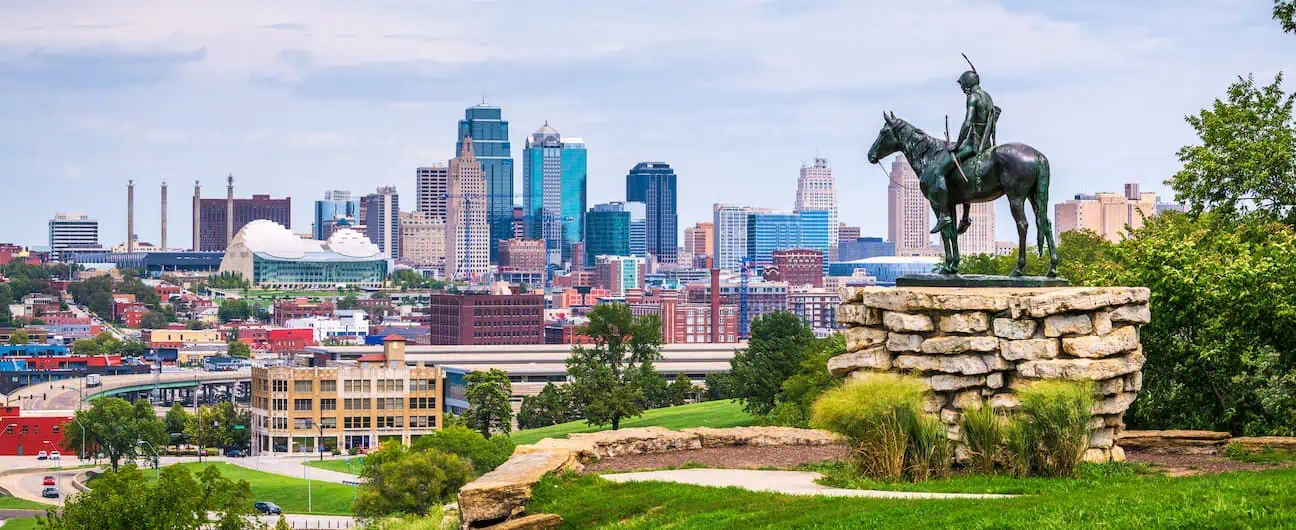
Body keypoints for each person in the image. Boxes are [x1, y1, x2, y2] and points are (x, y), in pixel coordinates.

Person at [928, 67, 998, 234]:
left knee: (939, 172)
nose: (961, 89)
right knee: (962, 175)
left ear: (968, 83)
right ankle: (965, 218)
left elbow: (967, 123)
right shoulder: (987, 96)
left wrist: (957, 145)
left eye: (962, 85)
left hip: (973, 145)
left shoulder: (973, 97)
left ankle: (944, 215)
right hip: (986, 143)